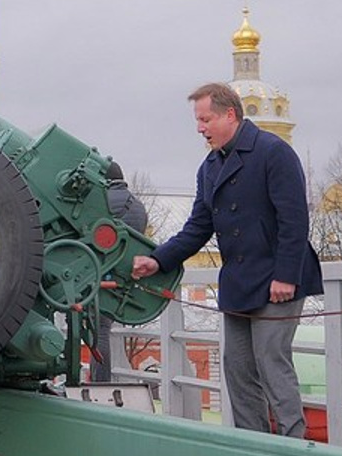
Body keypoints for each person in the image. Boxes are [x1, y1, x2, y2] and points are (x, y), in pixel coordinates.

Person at [132, 82, 322, 437]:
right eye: (198, 120)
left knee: (271, 361)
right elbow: (197, 228)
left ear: (230, 115)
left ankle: (294, 446)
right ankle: (253, 445)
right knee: (237, 368)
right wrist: (158, 260)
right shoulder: (209, 167)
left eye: (205, 120)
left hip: (278, 280)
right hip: (239, 283)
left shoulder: (273, 152)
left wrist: (285, 275)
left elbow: (294, 221)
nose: (199, 128)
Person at [92, 161, 149, 383]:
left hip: (101, 273)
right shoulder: (138, 206)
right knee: (104, 328)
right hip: (124, 277)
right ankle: (102, 380)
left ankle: (99, 382)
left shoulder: (101, 201)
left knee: (98, 331)